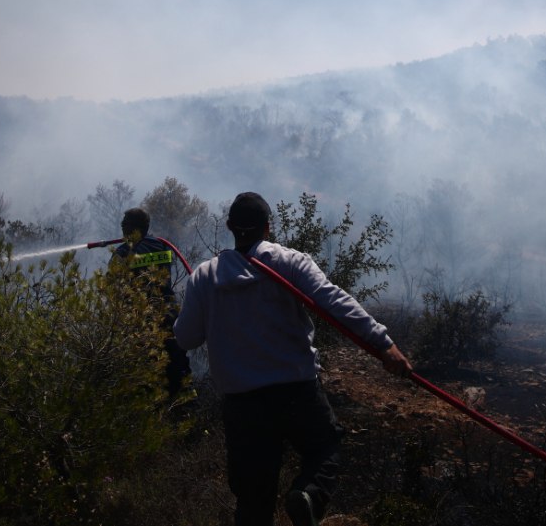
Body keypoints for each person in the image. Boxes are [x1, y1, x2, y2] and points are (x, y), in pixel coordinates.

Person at [173, 192, 412, 526]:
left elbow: (185, 338)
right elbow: (333, 301)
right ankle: (308, 495)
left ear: (229, 226)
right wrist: (384, 344)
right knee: (325, 449)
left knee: (253, 500)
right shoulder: (289, 262)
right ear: (268, 227)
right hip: (297, 393)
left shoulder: (204, 276)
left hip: (243, 406)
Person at [109, 207, 191, 398]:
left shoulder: (122, 253)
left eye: (125, 223)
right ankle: (185, 411)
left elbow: (111, 286)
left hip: (140, 321)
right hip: (169, 316)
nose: (121, 226)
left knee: (144, 377)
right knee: (177, 367)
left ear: (135, 228)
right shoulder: (162, 246)